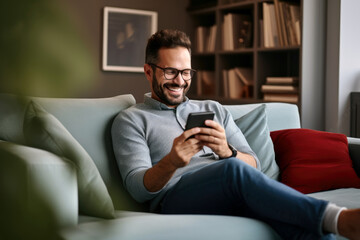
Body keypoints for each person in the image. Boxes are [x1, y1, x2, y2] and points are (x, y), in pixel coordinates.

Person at [111, 29, 360, 240]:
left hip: (231, 190)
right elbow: (137, 189)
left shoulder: (213, 109)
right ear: (148, 71)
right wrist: (171, 162)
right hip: (175, 199)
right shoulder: (131, 119)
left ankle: (330, 229)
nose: (180, 81)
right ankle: (337, 218)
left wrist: (226, 151)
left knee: (297, 227)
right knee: (232, 170)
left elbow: (254, 164)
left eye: (186, 72)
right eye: (170, 72)